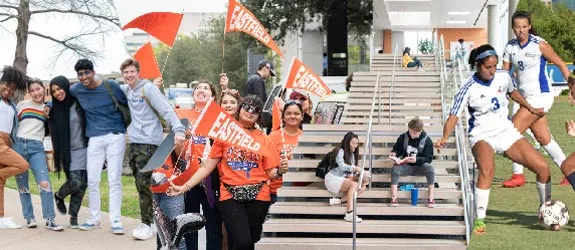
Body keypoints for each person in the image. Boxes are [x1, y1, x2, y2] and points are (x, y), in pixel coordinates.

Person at [435, 44, 551, 235]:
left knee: (543, 167)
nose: (492, 70)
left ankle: (546, 210)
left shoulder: (503, 76)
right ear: (477, 65)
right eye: (488, 67)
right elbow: (453, 116)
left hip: (506, 132)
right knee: (487, 170)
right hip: (481, 136)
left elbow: (513, 92)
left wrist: (530, 108)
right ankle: (479, 219)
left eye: (494, 65)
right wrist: (445, 137)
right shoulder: (468, 88)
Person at [167, 95, 284, 250]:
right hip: (229, 195)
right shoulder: (225, 135)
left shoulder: (264, 139)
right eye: (247, 107)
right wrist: (184, 187)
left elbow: (270, 173)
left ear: (259, 115)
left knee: (253, 242)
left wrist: (280, 170)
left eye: (255, 110)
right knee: (242, 242)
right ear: (240, 109)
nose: (250, 112)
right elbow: (207, 168)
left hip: (259, 196)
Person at [500, 11, 571, 188]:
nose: (521, 31)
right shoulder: (510, 47)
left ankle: (520, 174)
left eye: (524, 27)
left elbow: (561, 64)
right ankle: (569, 172)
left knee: (510, 134)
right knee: (543, 138)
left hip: (541, 97)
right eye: (517, 27)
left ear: (529, 27)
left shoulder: (540, 45)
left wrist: (572, 87)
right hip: (523, 99)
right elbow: (503, 74)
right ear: (513, 28)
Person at [119, 59, 187, 241]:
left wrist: (179, 129)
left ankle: (147, 224)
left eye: (132, 71)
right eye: (126, 72)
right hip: (133, 142)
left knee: (142, 182)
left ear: (138, 72)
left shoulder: (147, 88)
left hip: (149, 141)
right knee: (141, 183)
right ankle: (152, 217)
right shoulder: (125, 90)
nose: (129, 75)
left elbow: (166, 109)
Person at [70, 59, 127, 234]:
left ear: (93, 72)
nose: (84, 77)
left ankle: (116, 220)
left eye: (87, 72)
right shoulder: (77, 89)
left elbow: (126, 103)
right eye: (80, 74)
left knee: (114, 179)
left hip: (115, 136)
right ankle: (94, 218)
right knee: (93, 180)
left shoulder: (111, 86)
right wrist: (49, 105)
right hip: (94, 138)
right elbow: (62, 98)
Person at [174, 81, 223, 250]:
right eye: (198, 88)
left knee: (213, 223)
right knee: (189, 222)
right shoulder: (184, 115)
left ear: (213, 96)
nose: (201, 90)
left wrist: (225, 88)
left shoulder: (219, 117)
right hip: (190, 176)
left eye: (206, 88)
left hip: (211, 177)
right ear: (193, 95)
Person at [13, 79, 64, 231]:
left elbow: (59, 104)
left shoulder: (47, 108)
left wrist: (49, 104)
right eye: (33, 90)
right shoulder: (22, 105)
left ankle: (50, 219)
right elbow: (13, 124)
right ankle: (29, 218)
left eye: (39, 89)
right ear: (29, 92)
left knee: (44, 183)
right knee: (23, 186)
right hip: (19, 146)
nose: (36, 93)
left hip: (37, 148)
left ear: (44, 89)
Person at [49, 76, 88, 230]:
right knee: (75, 182)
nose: (58, 93)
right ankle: (59, 195)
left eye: (59, 88)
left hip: (84, 148)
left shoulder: (78, 103)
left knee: (82, 185)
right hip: (68, 152)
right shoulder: (54, 109)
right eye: (54, 91)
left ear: (66, 87)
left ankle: (74, 216)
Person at [0, 66, 30, 229]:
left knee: (1, 182)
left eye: (12, 88)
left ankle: (0, 217)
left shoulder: (11, 104)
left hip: (6, 141)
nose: (8, 89)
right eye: (6, 84)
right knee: (22, 165)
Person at [323, 132, 370, 223]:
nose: (355, 146)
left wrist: (361, 174)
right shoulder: (340, 151)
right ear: (347, 142)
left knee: (363, 185)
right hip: (333, 178)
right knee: (354, 185)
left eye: (356, 143)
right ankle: (349, 213)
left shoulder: (352, 156)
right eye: (353, 143)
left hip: (343, 179)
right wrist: (356, 168)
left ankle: (339, 201)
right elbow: (342, 166)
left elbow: (349, 172)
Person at [389, 118, 435, 208]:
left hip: (420, 167)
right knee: (395, 169)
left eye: (414, 133)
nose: (412, 135)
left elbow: (428, 158)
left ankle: (431, 198)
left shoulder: (427, 141)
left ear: (420, 131)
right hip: (406, 166)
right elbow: (397, 149)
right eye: (410, 132)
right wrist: (394, 153)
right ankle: (394, 198)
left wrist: (416, 160)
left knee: (430, 169)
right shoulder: (403, 137)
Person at [268, 101, 304, 204]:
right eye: (288, 113)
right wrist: (280, 169)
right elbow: (267, 169)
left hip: (301, 192)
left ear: (302, 116)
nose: (292, 116)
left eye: (296, 113)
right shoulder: (272, 137)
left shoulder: (307, 138)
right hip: (277, 192)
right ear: (283, 117)